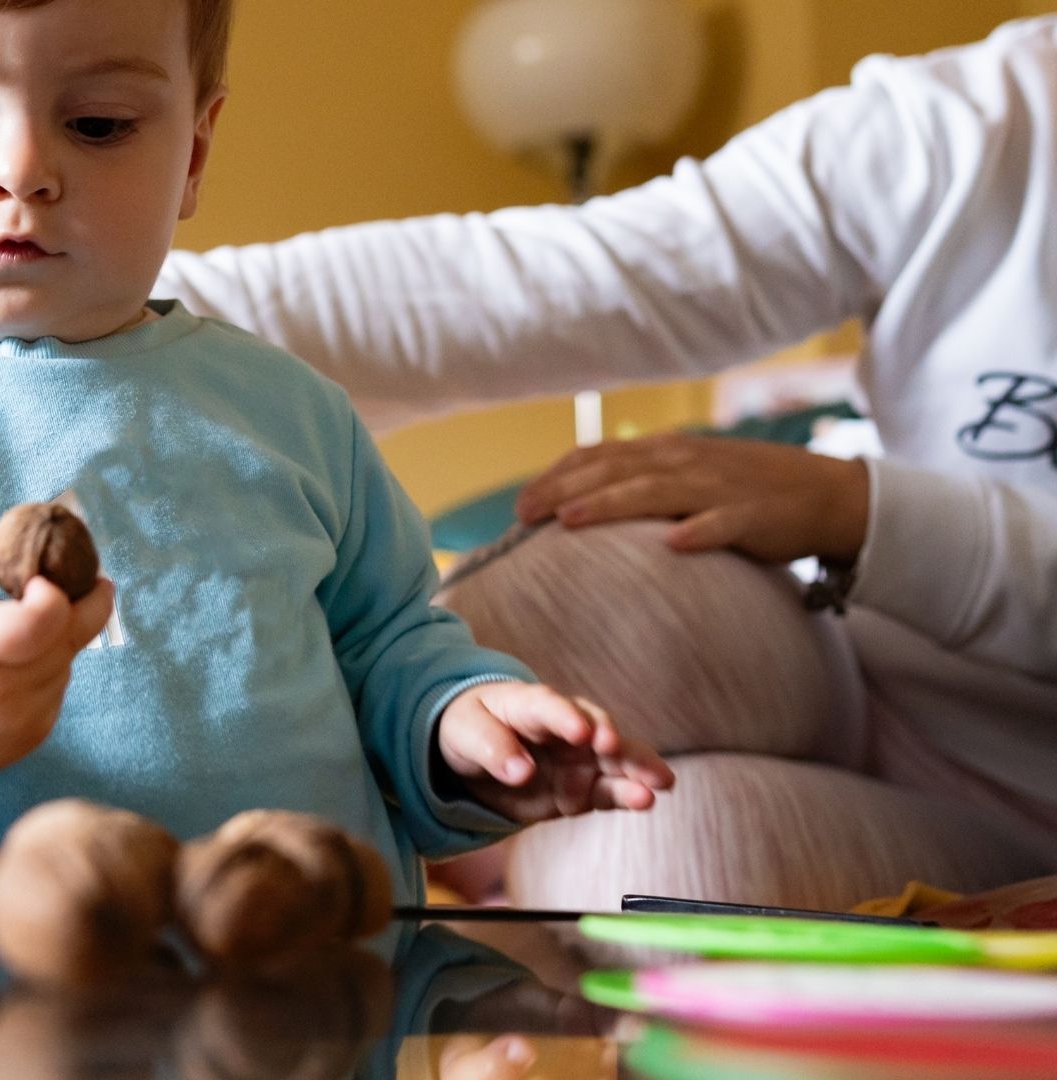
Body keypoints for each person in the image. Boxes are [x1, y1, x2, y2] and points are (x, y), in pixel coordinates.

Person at [0, 0, 674, 902]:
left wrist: (461, 731)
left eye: (97, 124)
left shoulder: (296, 414)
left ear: (191, 153)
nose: (23, 170)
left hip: (300, 1000)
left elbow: (391, 649)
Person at [154, 17, 1057, 906]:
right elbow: (544, 283)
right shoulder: (981, 120)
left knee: (642, 885)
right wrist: (92, 324)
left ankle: (481, 917)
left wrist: (860, 512)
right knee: (524, 618)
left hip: (1026, 802)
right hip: (872, 676)